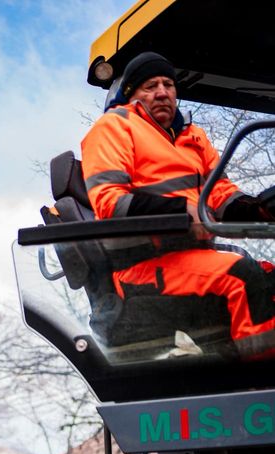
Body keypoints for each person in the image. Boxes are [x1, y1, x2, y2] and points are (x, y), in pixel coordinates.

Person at [81, 51, 275, 360]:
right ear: (131, 94)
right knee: (241, 275)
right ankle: (259, 372)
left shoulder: (193, 137)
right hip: (141, 267)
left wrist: (259, 209)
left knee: (269, 277)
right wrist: (179, 211)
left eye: (168, 85)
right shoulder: (114, 127)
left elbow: (219, 194)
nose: (162, 92)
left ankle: (229, 364)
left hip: (192, 257)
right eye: (150, 86)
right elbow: (109, 201)